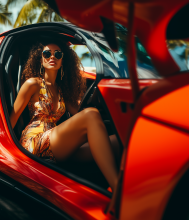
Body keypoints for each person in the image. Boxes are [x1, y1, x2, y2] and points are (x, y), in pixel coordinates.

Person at [9, 40, 119, 194]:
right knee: (91, 115)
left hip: (56, 143)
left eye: (58, 54)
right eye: (47, 54)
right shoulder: (33, 84)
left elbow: (80, 113)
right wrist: (10, 155)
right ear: (40, 60)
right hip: (35, 141)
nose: (52, 57)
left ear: (62, 61)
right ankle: (117, 189)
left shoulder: (61, 91)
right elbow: (11, 119)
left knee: (117, 140)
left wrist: (98, 97)